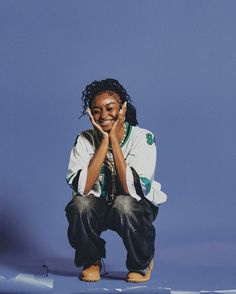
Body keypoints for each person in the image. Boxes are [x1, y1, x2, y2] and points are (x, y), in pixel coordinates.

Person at [65, 78, 167, 283]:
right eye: (96, 111)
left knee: (124, 204)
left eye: (110, 108)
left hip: (133, 207)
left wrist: (115, 141)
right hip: (98, 206)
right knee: (81, 204)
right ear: (90, 115)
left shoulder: (143, 138)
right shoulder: (83, 139)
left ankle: (141, 263)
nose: (103, 115)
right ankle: (91, 261)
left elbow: (132, 190)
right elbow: (83, 188)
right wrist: (104, 141)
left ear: (122, 109)